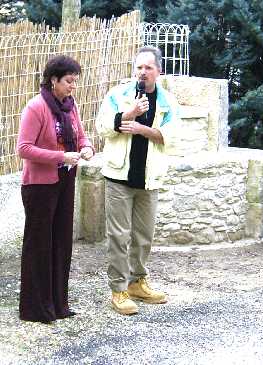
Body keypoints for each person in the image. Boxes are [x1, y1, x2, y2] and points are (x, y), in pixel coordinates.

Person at [96, 46, 180, 315]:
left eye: (148, 68)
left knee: (144, 236)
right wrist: (128, 115)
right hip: (119, 175)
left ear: (159, 71)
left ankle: (137, 283)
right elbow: (102, 127)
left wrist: (143, 129)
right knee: (118, 237)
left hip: (148, 178)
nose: (143, 73)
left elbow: (174, 137)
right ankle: (118, 290)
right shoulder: (118, 95)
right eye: (139, 68)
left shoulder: (168, 101)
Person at [17, 55, 94, 324]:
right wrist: (60, 157)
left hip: (65, 182)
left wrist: (86, 148)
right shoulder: (36, 107)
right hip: (39, 187)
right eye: (69, 81)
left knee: (61, 243)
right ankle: (36, 309)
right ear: (54, 80)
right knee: (39, 246)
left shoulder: (71, 107)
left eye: (75, 81)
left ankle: (59, 305)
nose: (73, 86)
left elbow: (81, 136)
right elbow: (23, 149)